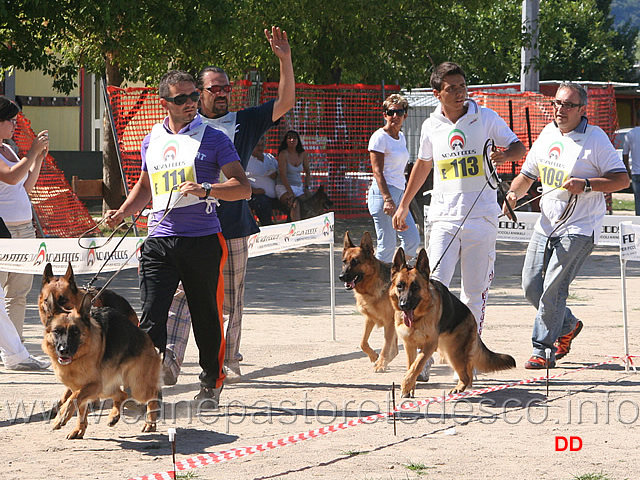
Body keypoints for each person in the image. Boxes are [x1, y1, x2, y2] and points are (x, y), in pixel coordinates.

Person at [105, 70, 251, 403]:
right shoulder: (151, 138)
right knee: (151, 317)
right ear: (164, 103)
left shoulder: (213, 138)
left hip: (202, 240)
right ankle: (145, 388)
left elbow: (243, 188)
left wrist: (207, 189)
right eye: (181, 98)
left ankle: (211, 381)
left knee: (206, 317)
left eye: (194, 96)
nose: (190, 103)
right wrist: (123, 211)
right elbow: (145, 186)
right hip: (158, 239)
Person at [163, 26, 295, 385]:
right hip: (189, 224)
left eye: (226, 88)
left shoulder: (243, 121)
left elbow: (284, 102)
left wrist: (284, 59)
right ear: (197, 93)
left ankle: (225, 359)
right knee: (182, 296)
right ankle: (169, 361)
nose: (222, 94)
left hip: (233, 224)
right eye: (214, 88)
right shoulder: (183, 123)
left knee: (231, 300)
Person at [503, 81, 629, 369]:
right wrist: (512, 194)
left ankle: (542, 349)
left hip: (581, 228)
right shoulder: (547, 134)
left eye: (568, 105)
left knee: (553, 287)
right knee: (530, 286)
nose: (560, 109)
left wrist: (586, 185)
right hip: (547, 225)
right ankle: (568, 325)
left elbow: (622, 180)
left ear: (581, 109)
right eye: (557, 103)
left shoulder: (595, 139)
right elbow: (527, 175)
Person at [393, 62, 525, 336]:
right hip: (442, 218)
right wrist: (404, 204)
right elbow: (423, 164)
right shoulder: (431, 125)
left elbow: (518, 147)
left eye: (462, 86)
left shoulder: (486, 117)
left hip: (482, 217)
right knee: (433, 286)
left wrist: (505, 155)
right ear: (436, 93)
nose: (459, 92)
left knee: (474, 292)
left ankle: (468, 352)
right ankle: (426, 352)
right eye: (451, 88)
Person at [0, 96, 49, 339]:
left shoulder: (7, 149)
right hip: (4, 231)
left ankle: (15, 349)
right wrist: (32, 151)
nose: (14, 125)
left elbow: (24, 186)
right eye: (10, 120)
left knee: (18, 294)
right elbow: (9, 176)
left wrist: (38, 158)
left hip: (24, 230)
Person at [367, 94, 420, 263]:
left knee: (412, 241)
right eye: (390, 112)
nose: (395, 116)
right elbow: (377, 171)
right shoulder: (379, 137)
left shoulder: (401, 137)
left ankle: (393, 272)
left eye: (399, 112)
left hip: (399, 194)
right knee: (387, 246)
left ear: (405, 115)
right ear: (385, 115)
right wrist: (387, 199)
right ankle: (378, 283)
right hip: (383, 195)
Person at [275, 130, 310, 221]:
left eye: (294, 138)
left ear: (298, 140)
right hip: (284, 186)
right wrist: (290, 192)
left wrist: (307, 187)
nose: (292, 140)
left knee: (309, 203)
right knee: (294, 203)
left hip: (299, 187)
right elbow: (283, 175)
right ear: (286, 140)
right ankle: (297, 231)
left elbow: (308, 171)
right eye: (289, 138)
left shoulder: (302, 154)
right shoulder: (283, 154)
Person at [246, 135, 279, 225]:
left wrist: (277, 175)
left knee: (292, 202)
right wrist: (254, 190)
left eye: (262, 145)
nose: (260, 148)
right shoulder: (246, 160)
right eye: (257, 145)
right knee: (262, 203)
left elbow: (281, 173)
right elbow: (240, 180)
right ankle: (268, 227)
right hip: (258, 196)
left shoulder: (270, 158)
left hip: (276, 195)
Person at [622, 110, 640, 216]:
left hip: (636, 172)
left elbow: (625, 154)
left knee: (637, 199)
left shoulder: (630, 134)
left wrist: (627, 170)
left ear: (637, 119)